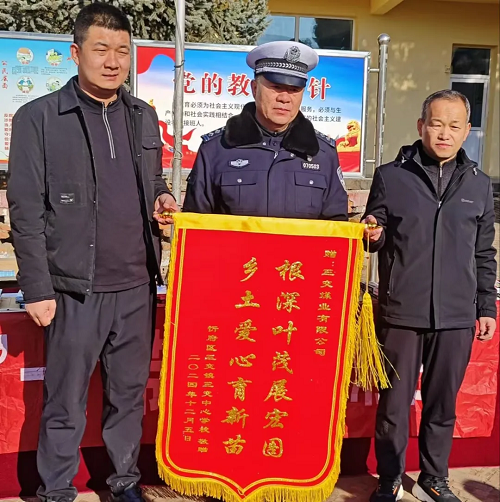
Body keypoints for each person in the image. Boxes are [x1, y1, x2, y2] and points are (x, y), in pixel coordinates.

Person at [7, 4, 178, 502]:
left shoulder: (142, 116)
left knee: (128, 397)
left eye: (123, 51)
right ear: (76, 52)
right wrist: (37, 288)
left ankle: (124, 482)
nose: (113, 61)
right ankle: (57, 490)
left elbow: (152, 181)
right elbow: (25, 210)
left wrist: (163, 198)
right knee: (65, 400)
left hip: (136, 287)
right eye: (101, 49)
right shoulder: (40, 117)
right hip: (73, 290)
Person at [364, 89, 497, 502]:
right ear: (421, 126)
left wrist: (485, 306)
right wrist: (372, 231)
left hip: (456, 316)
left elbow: (484, 253)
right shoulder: (391, 176)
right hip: (402, 312)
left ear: (467, 131)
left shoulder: (479, 184)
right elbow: (374, 234)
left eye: (454, 126)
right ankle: (389, 477)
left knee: (443, 405)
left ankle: (433, 477)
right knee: (393, 405)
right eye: (436, 124)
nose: (444, 133)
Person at [183, 41, 348, 220]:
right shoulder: (216, 149)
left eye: (294, 89)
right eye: (276, 87)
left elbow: (337, 228)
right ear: (254, 88)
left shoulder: (323, 154)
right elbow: (195, 224)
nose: (284, 98)